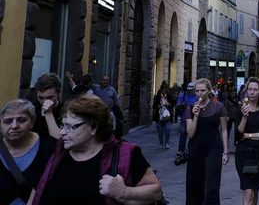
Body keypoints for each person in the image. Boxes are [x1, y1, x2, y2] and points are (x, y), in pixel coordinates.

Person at [30, 95, 163, 204]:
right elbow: (37, 191)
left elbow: (155, 192)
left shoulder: (125, 153)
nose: (63, 132)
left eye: (70, 127)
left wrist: (123, 192)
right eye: (63, 125)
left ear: (93, 128)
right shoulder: (58, 151)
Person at [0, 99, 56, 205]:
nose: (14, 126)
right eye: (8, 121)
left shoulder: (49, 147)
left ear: (32, 122)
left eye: (21, 120)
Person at [185, 78, 229, 205]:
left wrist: (226, 152)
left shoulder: (218, 106)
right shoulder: (191, 108)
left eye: (203, 90)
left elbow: (224, 130)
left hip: (213, 148)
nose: (200, 93)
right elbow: (190, 133)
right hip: (196, 149)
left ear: (209, 91)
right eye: (197, 91)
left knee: (212, 185)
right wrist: (196, 116)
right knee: (195, 184)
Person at [234, 77, 259, 205]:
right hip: (244, 155)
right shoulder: (240, 110)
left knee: (255, 191)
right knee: (248, 192)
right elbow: (238, 135)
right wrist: (245, 117)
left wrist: (248, 135)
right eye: (249, 89)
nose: (252, 92)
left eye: (255, 89)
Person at [31, 73, 63, 139]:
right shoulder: (31, 110)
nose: (44, 102)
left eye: (50, 98)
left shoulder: (66, 111)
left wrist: (48, 113)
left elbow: (60, 141)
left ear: (59, 93)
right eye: (41, 98)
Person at [175, 82, 198, 160]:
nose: (189, 91)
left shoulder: (198, 95)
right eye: (188, 90)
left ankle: (193, 150)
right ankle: (181, 150)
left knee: (194, 134)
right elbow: (177, 104)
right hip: (185, 117)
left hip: (195, 117)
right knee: (183, 133)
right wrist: (181, 104)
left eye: (191, 90)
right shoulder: (184, 94)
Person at [153, 81, 175, 149]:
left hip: (167, 116)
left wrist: (169, 104)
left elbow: (173, 104)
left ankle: (167, 143)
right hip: (159, 116)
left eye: (165, 90)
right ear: (161, 90)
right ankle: (161, 143)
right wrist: (159, 106)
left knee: (167, 129)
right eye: (163, 90)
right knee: (160, 131)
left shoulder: (169, 96)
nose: (164, 91)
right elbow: (154, 106)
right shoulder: (157, 97)